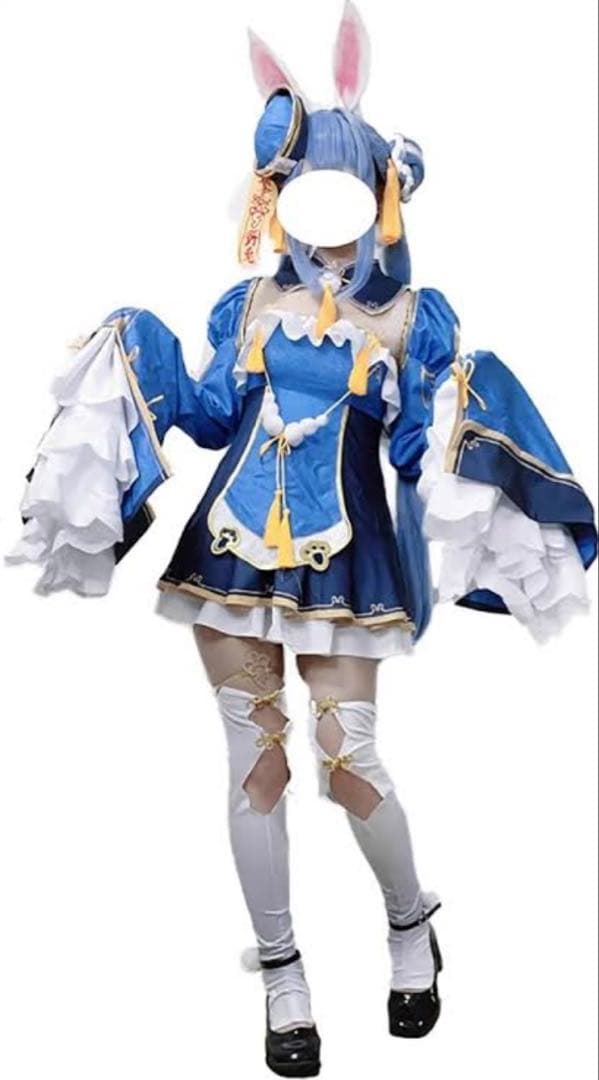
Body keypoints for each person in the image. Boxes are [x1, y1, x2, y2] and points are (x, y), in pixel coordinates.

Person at [7, 3, 596, 1077]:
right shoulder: (245, 305)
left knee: (350, 760)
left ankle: (409, 923)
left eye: (336, 188)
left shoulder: (411, 316)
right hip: (229, 552)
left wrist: (451, 412)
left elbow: (413, 448)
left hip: (345, 560)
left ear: (374, 192)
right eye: (295, 189)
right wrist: (137, 350)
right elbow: (209, 415)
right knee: (256, 767)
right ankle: (282, 974)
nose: (316, 214)